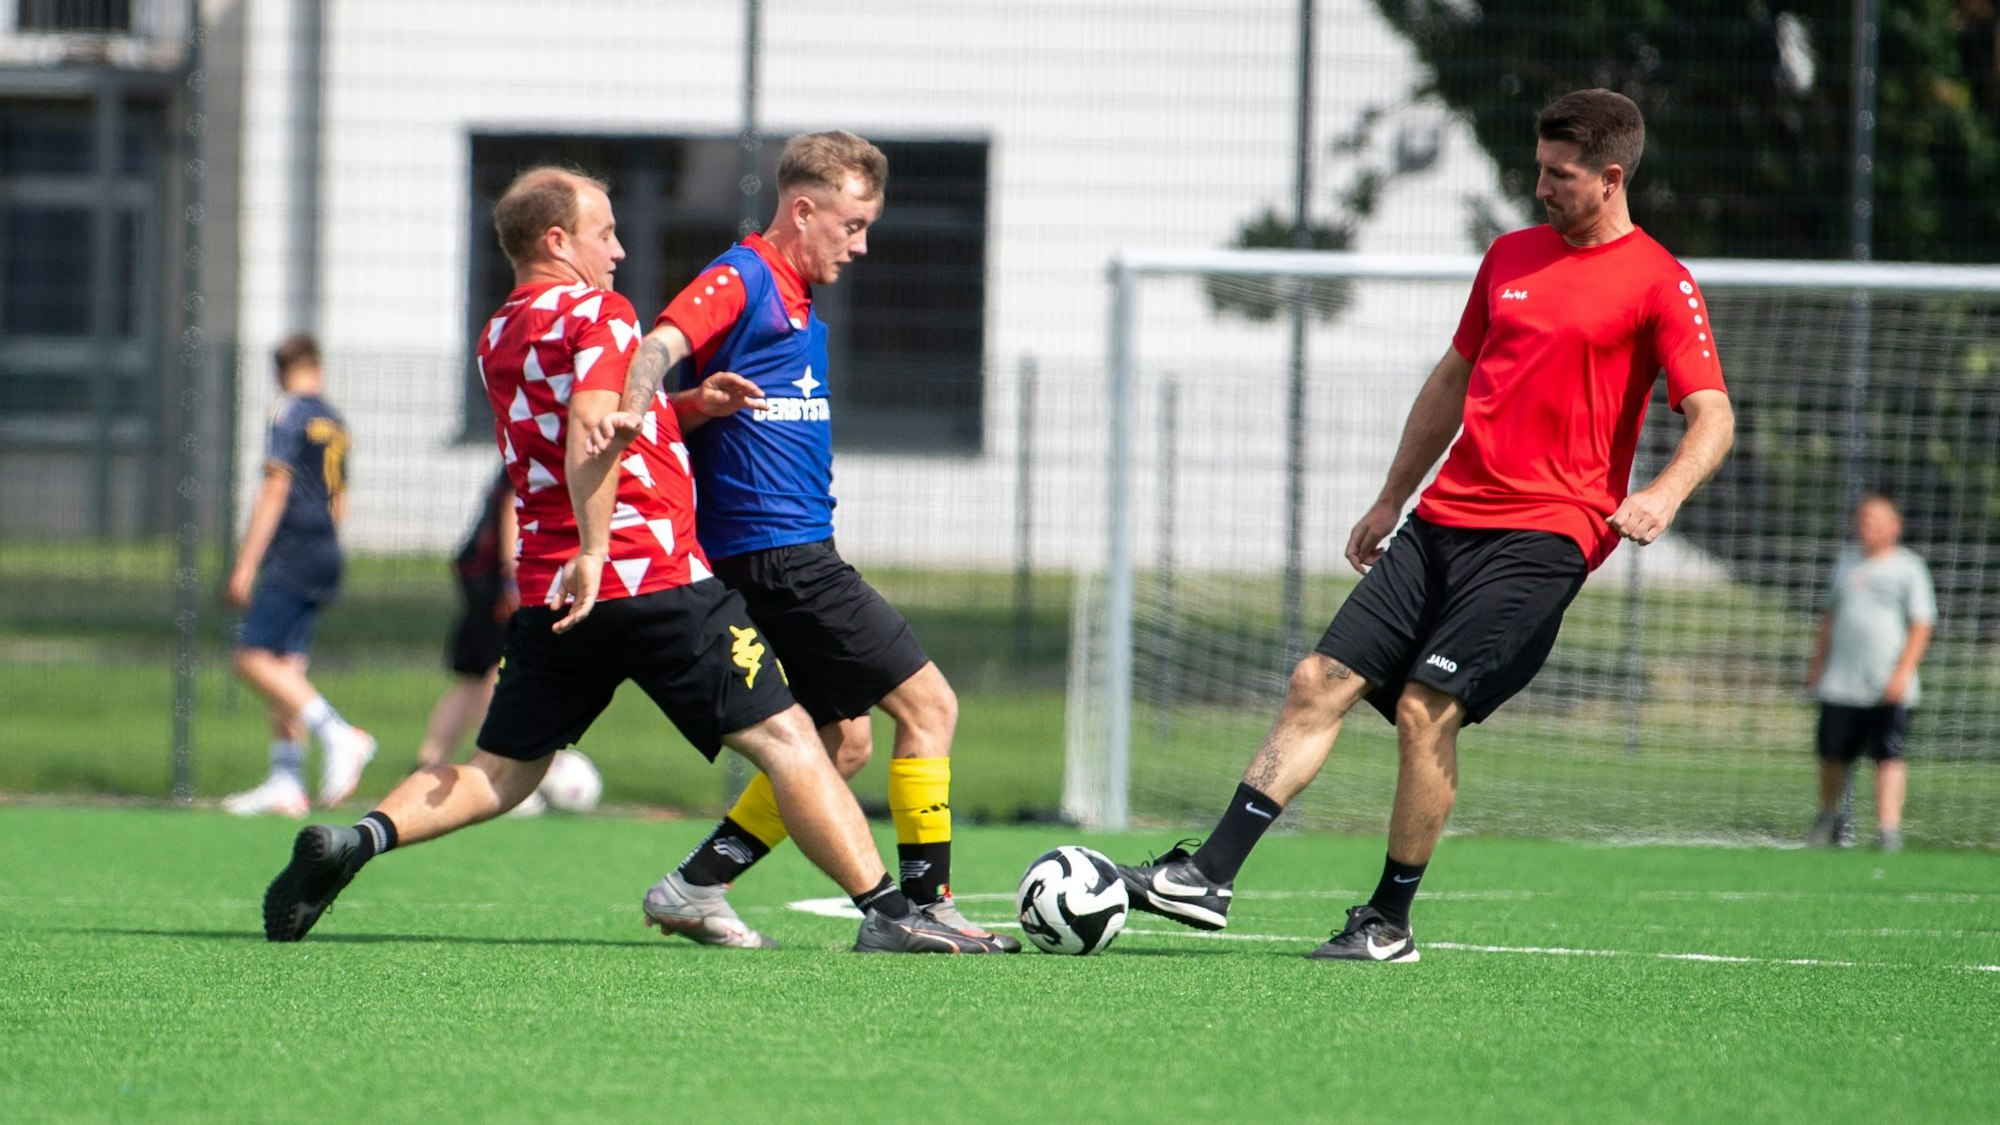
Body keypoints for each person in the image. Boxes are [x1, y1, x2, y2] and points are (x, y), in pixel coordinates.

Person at [260, 166, 1006, 955]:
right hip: (650, 577)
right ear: (558, 241)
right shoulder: (601, 313)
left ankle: (361, 840)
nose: (618, 251)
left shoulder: (499, 333)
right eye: (605, 233)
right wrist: (594, 548)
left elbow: (591, 423)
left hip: (552, 594)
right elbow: (592, 425)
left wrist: (686, 408)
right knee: (798, 740)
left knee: (498, 773)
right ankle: (889, 912)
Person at [1115, 88, 1736, 962]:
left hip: (1547, 535)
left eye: (1559, 176)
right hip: (1443, 519)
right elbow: (1451, 382)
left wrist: (1662, 496)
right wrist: (1389, 497)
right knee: (1316, 678)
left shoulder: (1659, 281)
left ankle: (1386, 922)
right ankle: (1207, 875)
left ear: (1609, 176)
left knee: (1423, 705)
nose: (1541, 189)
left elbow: (1712, 414)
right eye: (1537, 170)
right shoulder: (1509, 257)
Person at [589, 130, 1019, 952]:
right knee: (930, 705)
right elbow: (656, 345)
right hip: (781, 556)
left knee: (842, 741)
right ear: (803, 208)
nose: (860, 246)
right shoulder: (745, 274)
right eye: (851, 226)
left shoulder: (794, 297)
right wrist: (629, 411)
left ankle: (696, 884)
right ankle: (926, 908)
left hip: (784, 553)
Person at [221, 334, 377, 817]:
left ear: (279, 372)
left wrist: (246, 562)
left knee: (250, 657)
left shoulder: (288, 411)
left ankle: (339, 734)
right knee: (287, 668)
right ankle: (286, 781)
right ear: (318, 366)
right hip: (326, 547)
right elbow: (341, 500)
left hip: (294, 550)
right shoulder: (334, 420)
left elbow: (275, 484)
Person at [1806, 493, 1935, 852]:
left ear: (1895, 526)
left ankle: (1887, 830)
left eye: (1876, 519)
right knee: (1831, 753)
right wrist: (1817, 664)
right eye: (1863, 518)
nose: (1867, 525)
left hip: (1886, 683)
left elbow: (1921, 624)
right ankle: (1828, 818)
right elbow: (1829, 617)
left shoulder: (1908, 567)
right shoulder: (1847, 562)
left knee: (1888, 756)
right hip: (1841, 682)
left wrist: (1903, 673)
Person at [414, 468, 519, 770]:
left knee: (474, 673)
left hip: (478, 570)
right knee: (502, 668)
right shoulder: (538, 436)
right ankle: (492, 765)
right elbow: (513, 503)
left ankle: (429, 762)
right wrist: (511, 575)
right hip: (497, 575)